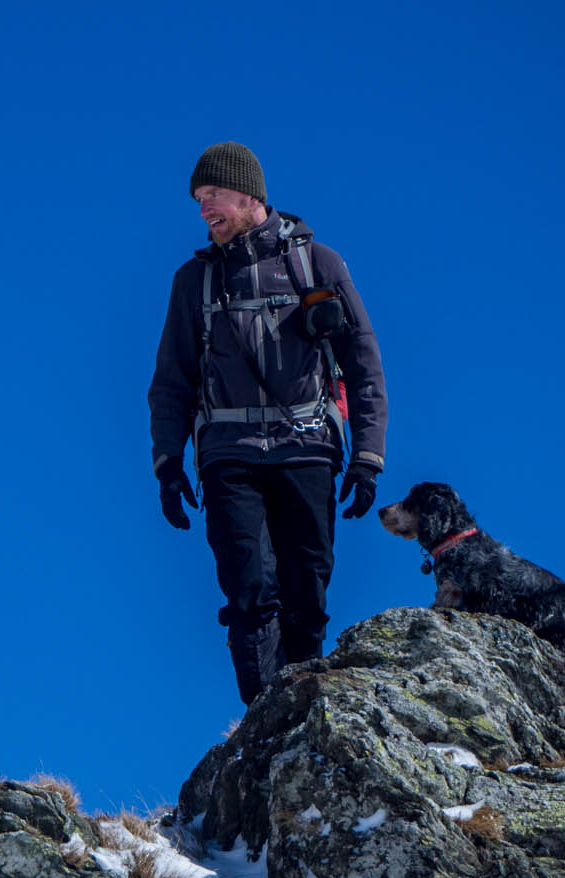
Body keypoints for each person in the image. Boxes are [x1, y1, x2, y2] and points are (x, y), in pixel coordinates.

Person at [148, 142, 388, 704]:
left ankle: (306, 711)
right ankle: (266, 721)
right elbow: (171, 380)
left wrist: (368, 456)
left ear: (249, 194)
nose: (204, 210)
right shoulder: (194, 282)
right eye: (199, 200)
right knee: (249, 588)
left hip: (306, 448)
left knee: (308, 592)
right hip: (228, 454)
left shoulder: (317, 265)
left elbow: (364, 362)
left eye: (213, 197)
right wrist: (167, 462)